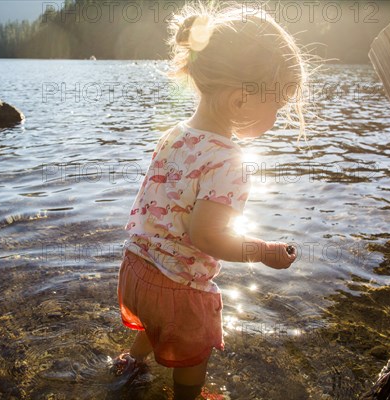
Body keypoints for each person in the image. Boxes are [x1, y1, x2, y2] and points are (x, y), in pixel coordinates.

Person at [111, 2, 310, 399]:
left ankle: (129, 367)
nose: (277, 117)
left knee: (153, 326)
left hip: (135, 268)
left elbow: (160, 206)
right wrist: (262, 251)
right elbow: (206, 237)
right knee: (194, 358)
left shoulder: (175, 135)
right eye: (277, 105)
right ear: (240, 100)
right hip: (177, 290)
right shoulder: (229, 160)